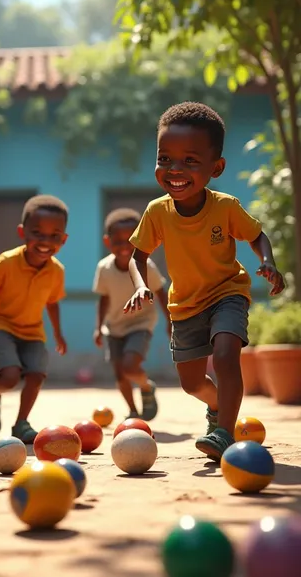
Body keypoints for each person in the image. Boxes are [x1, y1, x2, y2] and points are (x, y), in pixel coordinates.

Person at [124, 102, 284, 461]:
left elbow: (256, 235)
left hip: (227, 293)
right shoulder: (157, 212)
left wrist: (268, 262)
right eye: (165, 159)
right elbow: (138, 256)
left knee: (226, 356)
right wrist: (139, 284)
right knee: (192, 383)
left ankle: (224, 433)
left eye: (189, 161)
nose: (174, 170)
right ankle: (217, 408)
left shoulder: (226, 207)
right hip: (184, 305)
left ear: (217, 167)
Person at [0, 194, 69, 444]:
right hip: (1, 324)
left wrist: (58, 333)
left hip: (33, 331)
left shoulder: (56, 271)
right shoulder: (7, 262)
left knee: (36, 375)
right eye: (37, 233)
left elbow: (52, 302)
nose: (45, 242)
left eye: (54, 236)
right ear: (22, 232)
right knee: (9, 377)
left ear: (63, 239)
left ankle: (21, 423)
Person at [93, 208, 170, 422]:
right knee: (119, 373)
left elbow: (160, 291)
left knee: (129, 366)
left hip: (141, 322)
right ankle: (133, 412)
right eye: (117, 241)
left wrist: (170, 320)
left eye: (130, 241)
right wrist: (98, 327)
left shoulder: (146, 266)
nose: (125, 247)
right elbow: (103, 298)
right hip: (114, 326)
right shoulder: (104, 268)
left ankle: (146, 386)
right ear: (107, 242)